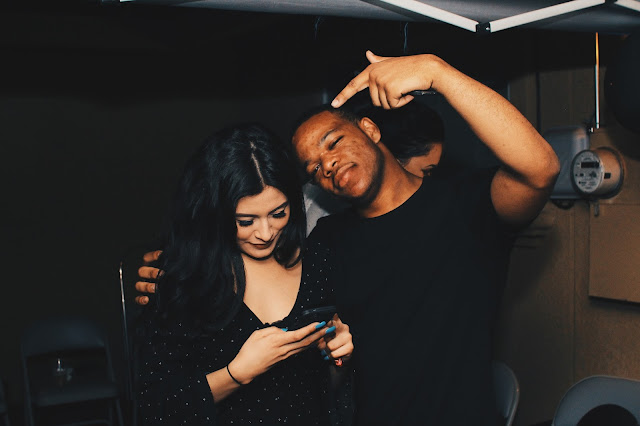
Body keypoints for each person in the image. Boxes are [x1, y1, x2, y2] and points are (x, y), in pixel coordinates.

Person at [289, 51, 560, 425]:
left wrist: (438, 73)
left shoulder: (464, 204)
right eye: (314, 168)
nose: (328, 164)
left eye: (333, 142)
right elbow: (324, 369)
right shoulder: (328, 239)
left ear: (370, 129)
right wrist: (334, 356)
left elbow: (541, 169)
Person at [137, 124, 354, 425]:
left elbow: (327, 393)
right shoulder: (185, 281)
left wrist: (339, 357)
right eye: (245, 221)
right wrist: (236, 374)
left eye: (278, 213)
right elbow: (155, 408)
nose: (265, 233)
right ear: (216, 213)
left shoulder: (319, 263)